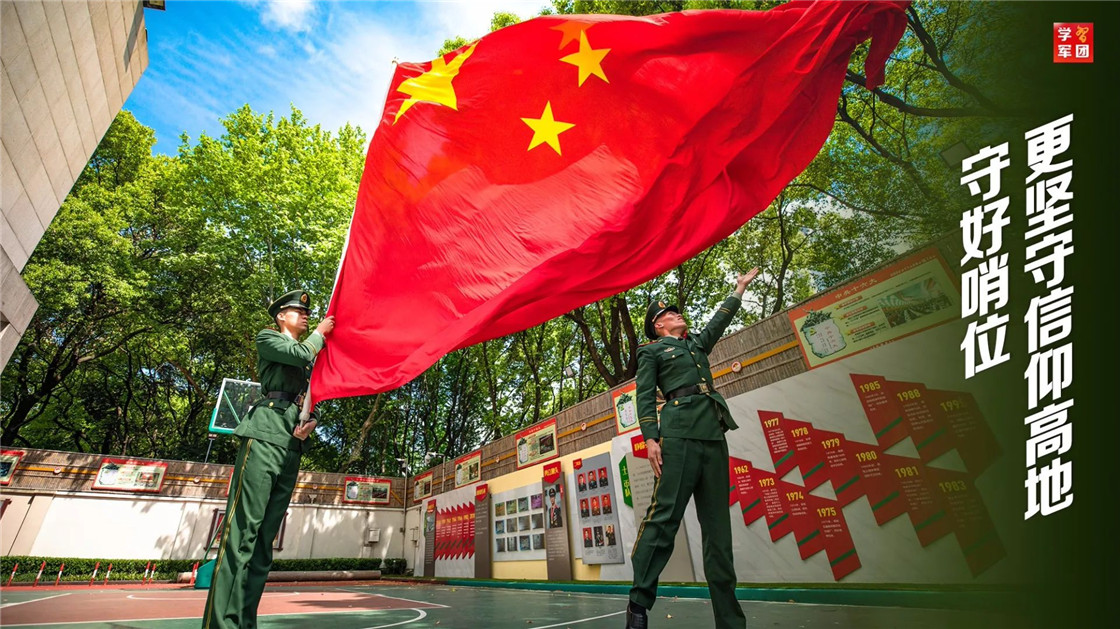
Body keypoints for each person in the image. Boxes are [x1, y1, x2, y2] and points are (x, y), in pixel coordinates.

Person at [625, 269, 758, 629]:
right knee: (664, 518)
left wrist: (738, 290)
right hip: (678, 435)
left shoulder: (696, 343)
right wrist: (651, 439)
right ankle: (638, 604)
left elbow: (719, 321)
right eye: (670, 313)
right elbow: (644, 397)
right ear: (658, 326)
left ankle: (730, 622)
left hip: (712, 435)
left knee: (719, 534)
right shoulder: (652, 352)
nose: (677, 314)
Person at [203, 290, 335, 629]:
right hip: (263, 436)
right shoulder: (270, 338)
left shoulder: (309, 358)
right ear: (280, 316)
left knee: (264, 543)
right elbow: (299, 353)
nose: (305, 316)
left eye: (307, 313)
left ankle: (245, 622)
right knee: (242, 534)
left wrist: (312, 421)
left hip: (291, 443)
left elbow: (311, 396)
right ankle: (221, 624)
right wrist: (320, 333)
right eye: (297, 311)